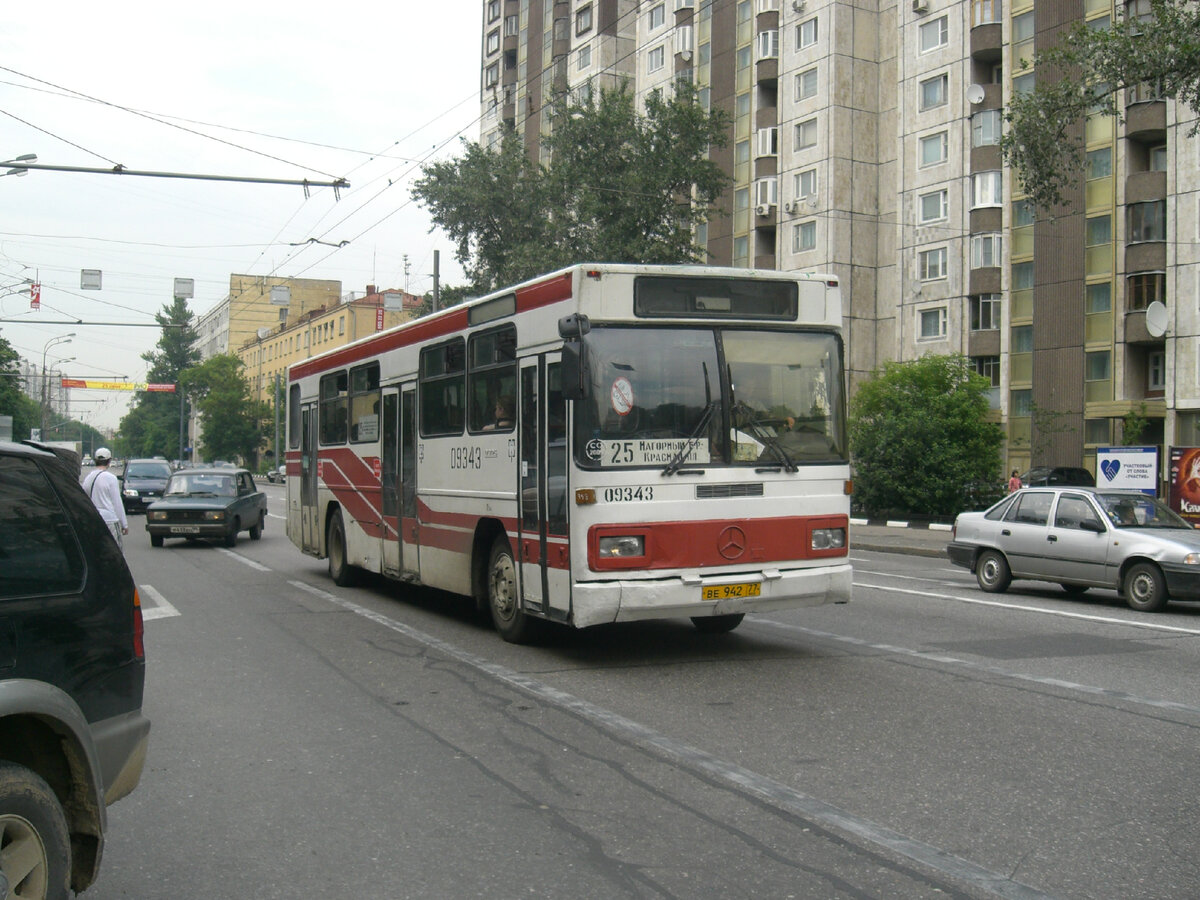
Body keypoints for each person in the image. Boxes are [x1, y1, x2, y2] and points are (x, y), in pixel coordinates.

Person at [81, 447, 129, 550]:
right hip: (110, 520)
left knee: (97, 550)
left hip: (93, 519)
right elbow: (117, 502)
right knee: (115, 550)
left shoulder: (88, 478)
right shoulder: (111, 478)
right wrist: (124, 524)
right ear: (109, 461)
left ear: (95, 461)